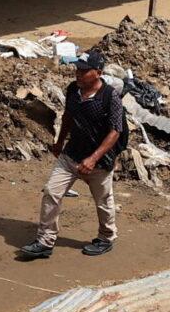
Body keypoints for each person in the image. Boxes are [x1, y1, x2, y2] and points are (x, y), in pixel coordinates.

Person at [17, 50, 126, 261]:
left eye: (84, 71)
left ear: (98, 73)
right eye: (77, 69)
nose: (78, 74)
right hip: (72, 154)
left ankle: (106, 238)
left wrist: (93, 158)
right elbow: (68, 115)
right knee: (51, 191)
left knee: (103, 201)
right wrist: (59, 142)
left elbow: (115, 131)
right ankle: (45, 241)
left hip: (99, 161)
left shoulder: (110, 96)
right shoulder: (73, 90)